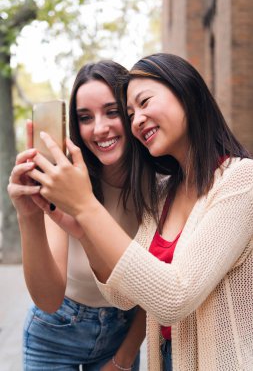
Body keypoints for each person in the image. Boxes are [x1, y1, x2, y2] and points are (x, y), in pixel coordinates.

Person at [10, 53, 253, 370]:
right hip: (116, 344)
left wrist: (85, 207)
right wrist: (70, 226)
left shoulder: (236, 179)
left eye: (118, 111)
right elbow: (123, 295)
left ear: (185, 91)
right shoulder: (167, 192)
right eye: (130, 111)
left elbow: (171, 297)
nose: (135, 119)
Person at [8, 60, 147, 371]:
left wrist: (123, 359)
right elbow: (48, 299)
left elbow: (154, 291)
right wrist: (28, 215)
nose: (99, 128)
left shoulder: (159, 188)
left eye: (112, 112)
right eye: (85, 117)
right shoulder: (63, 180)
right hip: (54, 335)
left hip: (122, 334)